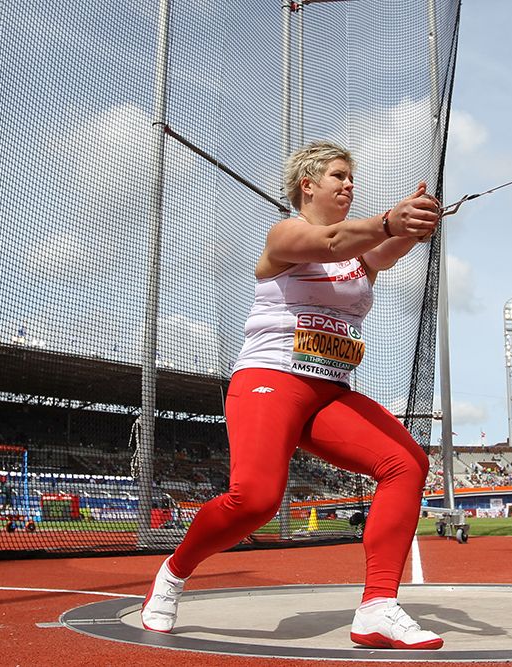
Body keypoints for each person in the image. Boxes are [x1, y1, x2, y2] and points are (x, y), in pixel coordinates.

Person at [141, 141, 444, 649]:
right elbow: (332, 242)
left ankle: (377, 607)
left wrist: (414, 225)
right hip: (270, 380)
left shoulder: (357, 255)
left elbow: (379, 251)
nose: (350, 184)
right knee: (255, 500)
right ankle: (172, 574)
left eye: (352, 178)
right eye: (339, 176)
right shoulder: (285, 234)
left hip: (329, 391)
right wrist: (392, 220)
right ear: (308, 184)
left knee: (406, 462)